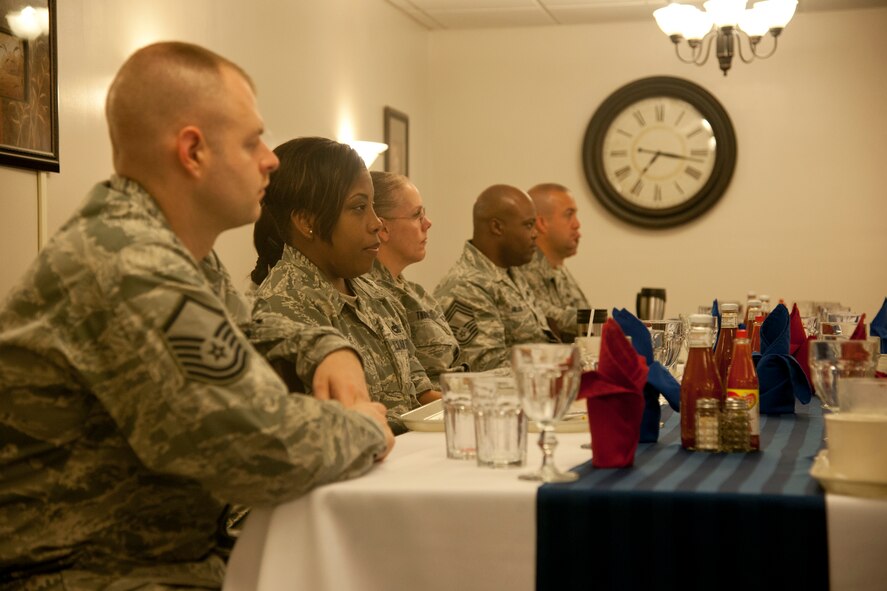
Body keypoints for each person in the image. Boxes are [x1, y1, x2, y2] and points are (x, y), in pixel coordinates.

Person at [0, 42, 393, 589]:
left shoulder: (175, 248)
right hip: (87, 573)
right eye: (253, 141)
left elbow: (245, 333)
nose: (271, 160)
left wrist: (327, 347)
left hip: (164, 561)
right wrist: (363, 427)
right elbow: (255, 445)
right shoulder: (129, 262)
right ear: (192, 151)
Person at [250, 138, 440, 436]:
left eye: (373, 206)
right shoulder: (284, 306)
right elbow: (329, 431)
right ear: (307, 222)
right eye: (359, 207)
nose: (377, 223)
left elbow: (418, 394)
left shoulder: (375, 293)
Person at [434, 184, 557, 372]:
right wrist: (562, 365)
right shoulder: (466, 286)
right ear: (497, 227)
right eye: (528, 225)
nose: (535, 234)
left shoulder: (511, 271)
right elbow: (488, 369)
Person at [368, 171, 465, 387]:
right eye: (416, 216)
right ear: (383, 228)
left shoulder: (417, 293)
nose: (428, 223)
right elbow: (412, 394)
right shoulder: (369, 296)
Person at [515, 183, 590, 341]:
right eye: (569, 214)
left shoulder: (559, 269)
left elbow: (587, 321)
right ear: (541, 223)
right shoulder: (522, 269)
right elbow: (545, 315)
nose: (577, 224)